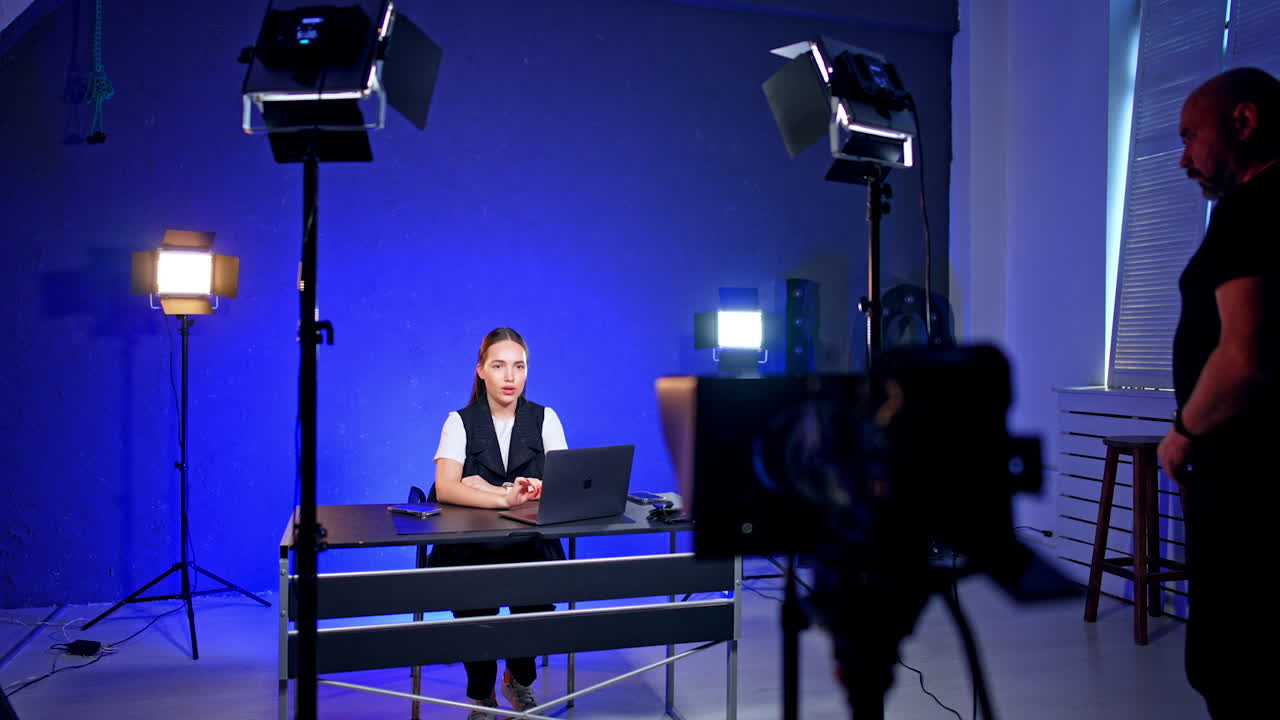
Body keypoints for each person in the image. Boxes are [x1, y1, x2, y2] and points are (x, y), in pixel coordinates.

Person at [1158, 67, 1279, 719]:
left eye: (1189, 137)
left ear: (1243, 123)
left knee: (1235, 666)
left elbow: (1243, 360)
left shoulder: (1252, 209)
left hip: (1247, 484)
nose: (1183, 159)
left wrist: (1185, 431)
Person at [429, 327, 569, 719]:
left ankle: (517, 679)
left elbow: (565, 485)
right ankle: (482, 694)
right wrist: (505, 496)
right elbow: (445, 489)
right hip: (471, 546)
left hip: (530, 542)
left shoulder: (545, 419)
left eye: (519, 366)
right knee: (474, 610)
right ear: (481, 371)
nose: (510, 377)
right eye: (499, 366)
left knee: (538, 602)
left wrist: (492, 488)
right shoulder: (459, 422)